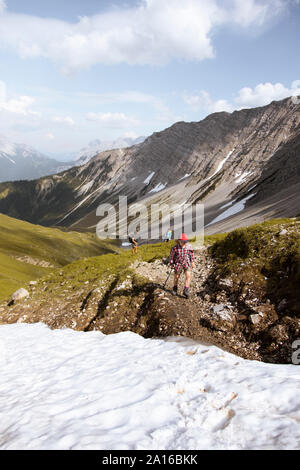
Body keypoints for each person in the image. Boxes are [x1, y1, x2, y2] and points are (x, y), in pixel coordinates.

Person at [168, 233, 195, 298]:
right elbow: (171, 257)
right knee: (177, 276)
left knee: (188, 276)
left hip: (186, 263)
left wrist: (192, 262)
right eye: (183, 242)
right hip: (178, 264)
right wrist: (172, 263)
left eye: (185, 242)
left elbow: (191, 254)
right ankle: (175, 288)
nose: (184, 243)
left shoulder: (189, 247)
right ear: (179, 241)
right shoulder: (175, 248)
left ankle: (186, 289)